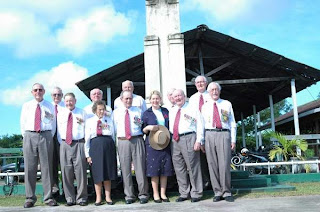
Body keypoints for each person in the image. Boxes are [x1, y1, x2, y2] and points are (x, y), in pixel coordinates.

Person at [20, 83, 58, 208]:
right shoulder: (26, 105)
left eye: (40, 90)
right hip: (30, 135)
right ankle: (30, 198)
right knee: (30, 168)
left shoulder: (50, 106)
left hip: (46, 136)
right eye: (35, 90)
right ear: (32, 92)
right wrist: (27, 136)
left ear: (44, 91)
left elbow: (53, 124)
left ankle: (48, 197)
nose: (38, 92)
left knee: (47, 168)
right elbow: (23, 122)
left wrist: (47, 135)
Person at [201, 82, 237, 202]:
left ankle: (226, 192)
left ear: (219, 91)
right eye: (212, 90)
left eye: (216, 89)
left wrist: (233, 139)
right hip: (209, 134)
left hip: (224, 134)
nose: (214, 92)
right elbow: (201, 124)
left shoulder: (227, 104)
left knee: (224, 164)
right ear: (209, 92)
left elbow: (232, 122)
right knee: (212, 164)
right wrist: (201, 140)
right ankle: (217, 192)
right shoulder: (204, 106)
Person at [113, 90, 149, 204]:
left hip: (137, 139)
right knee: (125, 169)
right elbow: (113, 130)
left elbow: (142, 125)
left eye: (130, 98)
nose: (128, 100)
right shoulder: (116, 113)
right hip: (123, 141)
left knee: (140, 168)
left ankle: (143, 194)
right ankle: (129, 195)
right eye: (126, 98)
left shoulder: (138, 111)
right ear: (121, 99)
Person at [169, 89, 205, 203]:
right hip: (175, 140)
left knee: (193, 166)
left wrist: (199, 140)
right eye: (175, 97)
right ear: (173, 99)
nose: (178, 98)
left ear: (184, 96)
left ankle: (196, 193)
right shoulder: (172, 110)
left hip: (189, 137)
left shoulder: (192, 108)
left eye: (180, 95)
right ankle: (184, 193)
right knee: (179, 168)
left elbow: (200, 124)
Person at [142, 90, 174, 203]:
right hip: (151, 145)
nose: (155, 101)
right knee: (154, 169)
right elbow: (143, 130)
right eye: (153, 99)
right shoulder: (146, 113)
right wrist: (149, 127)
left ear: (160, 99)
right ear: (150, 100)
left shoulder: (166, 111)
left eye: (157, 98)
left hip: (165, 143)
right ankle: (155, 194)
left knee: (165, 169)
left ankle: (163, 193)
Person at [57, 93, 88, 206]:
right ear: (64, 102)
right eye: (67, 101)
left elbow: (86, 129)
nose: (69, 103)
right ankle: (69, 198)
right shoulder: (60, 113)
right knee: (66, 172)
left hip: (79, 143)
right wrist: (63, 143)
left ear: (75, 100)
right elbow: (59, 130)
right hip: (65, 144)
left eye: (71, 100)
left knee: (80, 172)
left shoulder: (82, 112)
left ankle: (82, 198)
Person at [85, 100, 117, 206]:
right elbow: (87, 139)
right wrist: (87, 155)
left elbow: (113, 135)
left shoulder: (109, 120)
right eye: (99, 109)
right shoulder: (89, 121)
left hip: (108, 147)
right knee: (98, 173)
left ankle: (108, 197)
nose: (102, 111)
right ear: (95, 110)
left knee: (107, 172)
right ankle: (98, 197)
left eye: (103, 109)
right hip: (95, 147)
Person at [188, 76, 211, 189]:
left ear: (206, 83)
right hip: (197, 130)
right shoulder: (192, 98)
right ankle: (205, 182)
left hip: (210, 129)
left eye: (202, 82)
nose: (200, 84)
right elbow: (191, 116)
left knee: (212, 157)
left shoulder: (211, 95)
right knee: (201, 159)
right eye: (198, 82)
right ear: (195, 84)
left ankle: (215, 182)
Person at [50, 86, 64, 196]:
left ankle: (67, 190)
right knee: (51, 165)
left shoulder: (66, 107)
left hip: (64, 139)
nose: (56, 96)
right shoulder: (48, 107)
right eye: (54, 94)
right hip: (51, 138)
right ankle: (54, 190)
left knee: (65, 166)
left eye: (59, 94)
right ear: (51, 96)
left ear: (62, 95)